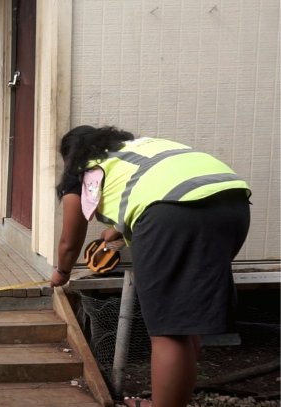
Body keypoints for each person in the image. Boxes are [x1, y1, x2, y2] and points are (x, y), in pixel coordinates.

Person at [50, 126, 251, 407]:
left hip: (174, 214)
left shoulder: (85, 168)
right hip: (232, 204)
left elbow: (70, 240)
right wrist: (116, 232)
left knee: (168, 329)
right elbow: (158, 188)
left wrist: (62, 272)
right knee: (185, 319)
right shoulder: (141, 148)